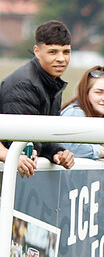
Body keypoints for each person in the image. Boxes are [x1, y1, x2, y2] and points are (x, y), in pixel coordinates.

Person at [0, 20, 74, 169]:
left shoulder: (52, 83)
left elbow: (44, 138)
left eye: (66, 52)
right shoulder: (24, 85)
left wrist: (58, 152)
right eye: (52, 52)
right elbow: (18, 142)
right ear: (37, 51)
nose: (61, 59)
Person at [59, 66, 104, 160]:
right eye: (99, 92)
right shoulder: (75, 113)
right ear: (86, 94)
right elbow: (69, 148)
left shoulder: (103, 119)